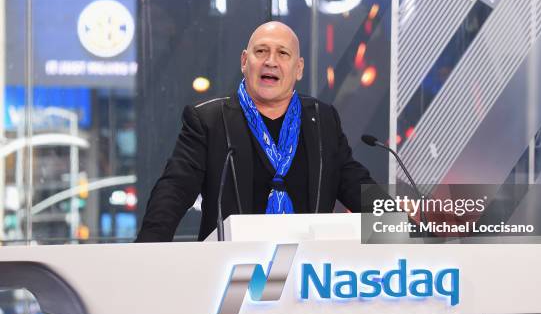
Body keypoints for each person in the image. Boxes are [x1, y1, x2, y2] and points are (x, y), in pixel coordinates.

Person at [136, 21, 377, 242]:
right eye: (261, 51)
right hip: (228, 274)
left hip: (309, 275)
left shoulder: (322, 120)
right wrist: (147, 250)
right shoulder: (209, 121)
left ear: (299, 68)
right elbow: (174, 190)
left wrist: (406, 232)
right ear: (244, 61)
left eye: (283, 53)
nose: (271, 61)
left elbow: (356, 184)